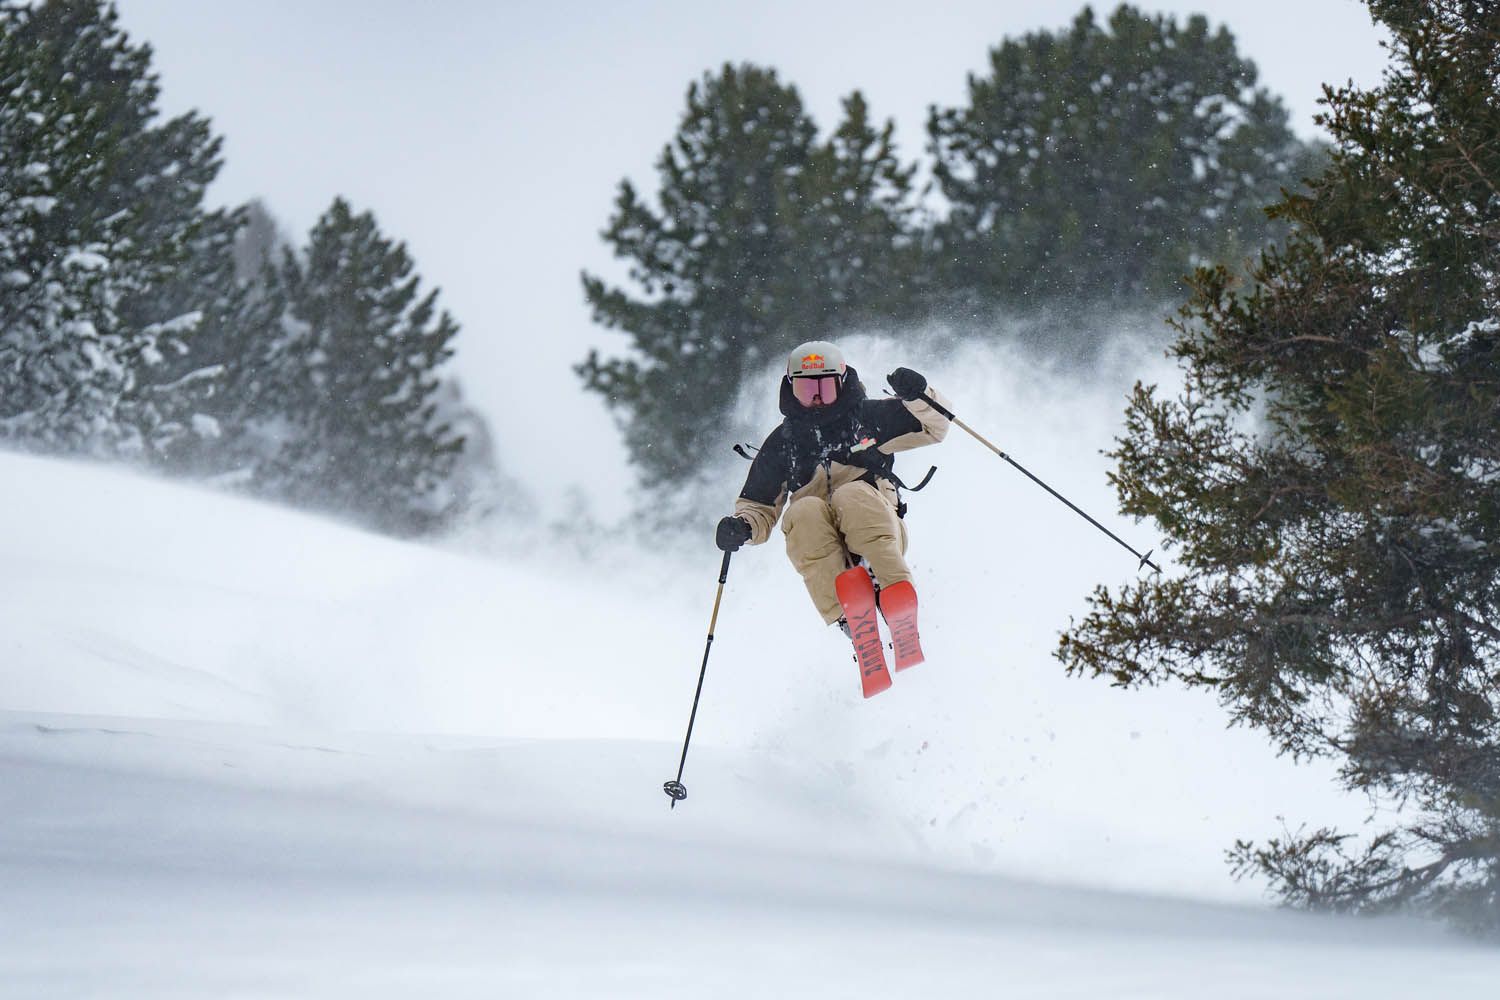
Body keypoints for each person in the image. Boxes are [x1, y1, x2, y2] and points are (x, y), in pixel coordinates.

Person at [714, 340, 950, 636]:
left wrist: (918, 395)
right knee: (802, 511)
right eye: (806, 391)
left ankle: (894, 593)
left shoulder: (868, 418)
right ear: (791, 389)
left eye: (824, 389)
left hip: (875, 522)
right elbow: (758, 506)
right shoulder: (784, 442)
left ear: (841, 383)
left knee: (851, 494)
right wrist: (742, 527)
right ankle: (851, 619)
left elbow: (935, 426)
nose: (816, 400)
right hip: (821, 539)